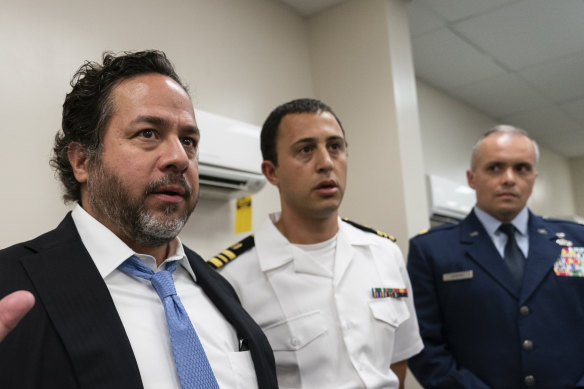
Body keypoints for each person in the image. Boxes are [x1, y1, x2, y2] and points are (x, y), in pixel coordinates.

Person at [0, 50, 277, 389]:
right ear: (82, 161)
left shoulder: (220, 288)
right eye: (148, 133)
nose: (179, 157)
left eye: (188, 141)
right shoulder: (9, 284)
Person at [208, 98, 423, 389]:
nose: (326, 163)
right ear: (272, 172)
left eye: (335, 147)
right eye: (305, 150)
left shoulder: (384, 253)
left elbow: (397, 360)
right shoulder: (232, 278)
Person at [407, 125, 584, 389]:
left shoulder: (575, 242)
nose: (509, 178)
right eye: (494, 168)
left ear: (534, 177)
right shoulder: (432, 250)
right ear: (471, 178)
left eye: (521, 168)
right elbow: (423, 344)